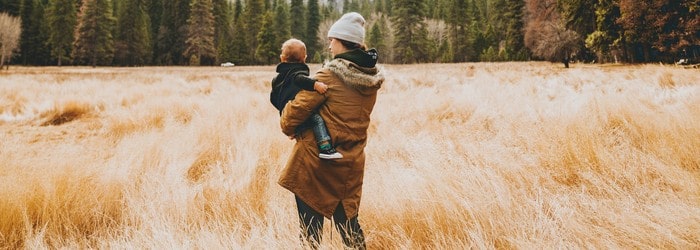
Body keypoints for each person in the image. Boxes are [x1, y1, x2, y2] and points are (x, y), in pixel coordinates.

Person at [278, 12, 384, 249]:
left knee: (310, 235)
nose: (329, 44)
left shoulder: (329, 76)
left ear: (342, 41)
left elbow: (292, 116)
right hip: (350, 165)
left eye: (331, 39)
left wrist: (290, 120)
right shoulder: (371, 79)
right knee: (350, 230)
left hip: (316, 166)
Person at [270, 38, 343, 160]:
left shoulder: (277, 79)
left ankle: (295, 130)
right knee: (316, 120)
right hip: (295, 110)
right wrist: (316, 85)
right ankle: (325, 148)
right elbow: (299, 79)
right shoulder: (296, 72)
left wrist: (283, 109)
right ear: (304, 58)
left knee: (302, 126)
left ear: (282, 58)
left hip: (285, 112)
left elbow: (273, 98)